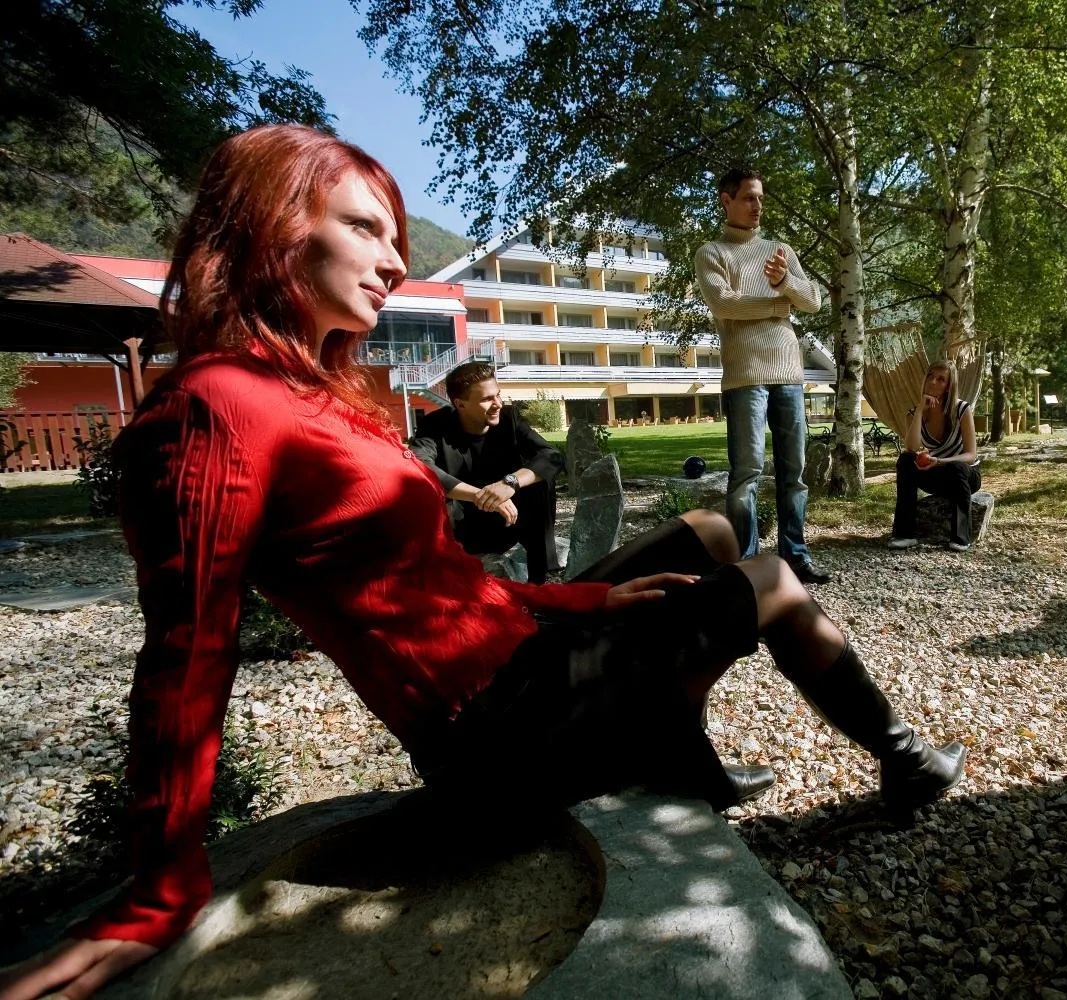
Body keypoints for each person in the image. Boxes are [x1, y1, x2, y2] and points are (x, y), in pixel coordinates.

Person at [0, 125, 967, 1000]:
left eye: (395, 239)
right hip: (498, 731)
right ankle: (905, 762)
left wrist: (590, 594)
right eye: (365, 229)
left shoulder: (308, 394)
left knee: (714, 532)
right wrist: (159, 890)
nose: (392, 260)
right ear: (273, 228)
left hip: (529, 660)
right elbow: (184, 657)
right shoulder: (215, 409)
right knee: (771, 580)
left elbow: (443, 582)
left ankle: (692, 766)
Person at [694, 167, 831, 584]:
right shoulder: (712, 252)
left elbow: (813, 301)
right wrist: (775, 306)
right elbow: (725, 304)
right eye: (749, 198)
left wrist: (786, 280)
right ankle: (748, 563)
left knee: (795, 471)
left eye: (761, 198)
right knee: (747, 472)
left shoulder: (780, 250)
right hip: (745, 376)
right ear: (726, 200)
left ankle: (795, 555)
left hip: (788, 372)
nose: (758, 206)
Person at [409, 361, 560, 584]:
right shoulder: (436, 424)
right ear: (460, 404)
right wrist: (481, 496)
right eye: (487, 399)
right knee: (428, 492)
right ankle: (442, 577)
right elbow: (418, 465)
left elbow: (552, 456)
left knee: (540, 482)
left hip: (509, 519)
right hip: (462, 528)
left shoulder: (510, 419)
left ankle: (540, 577)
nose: (497, 404)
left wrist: (509, 484)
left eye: (498, 395)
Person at [888, 360, 981, 552]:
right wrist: (921, 410)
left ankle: (961, 537)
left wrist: (940, 461)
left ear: (949, 386)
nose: (933, 382)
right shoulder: (915, 413)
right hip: (937, 475)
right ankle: (904, 534)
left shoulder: (962, 409)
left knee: (957, 467)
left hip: (965, 475)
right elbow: (912, 447)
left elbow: (971, 455)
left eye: (941, 379)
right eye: (930, 377)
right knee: (905, 460)